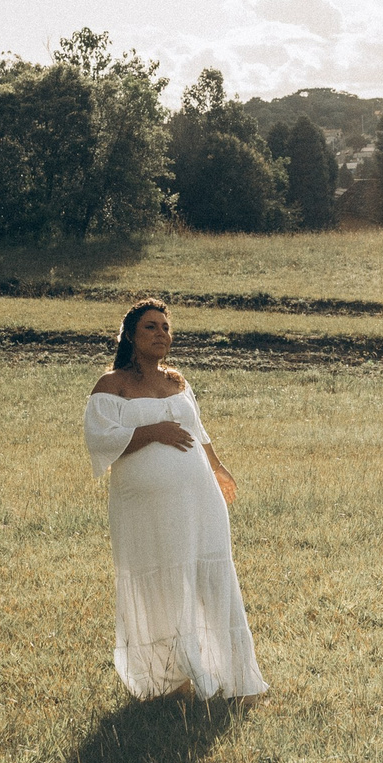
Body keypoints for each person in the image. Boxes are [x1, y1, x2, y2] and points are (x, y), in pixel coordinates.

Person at [83, 299, 268, 703]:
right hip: (145, 507)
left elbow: (197, 431)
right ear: (131, 335)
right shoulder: (111, 384)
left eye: (166, 327)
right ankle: (170, 680)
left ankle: (236, 681)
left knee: (210, 578)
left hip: (198, 497)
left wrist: (219, 470)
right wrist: (153, 432)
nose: (161, 333)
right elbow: (98, 440)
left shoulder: (178, 382)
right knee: (160, 584)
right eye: (151, 327)